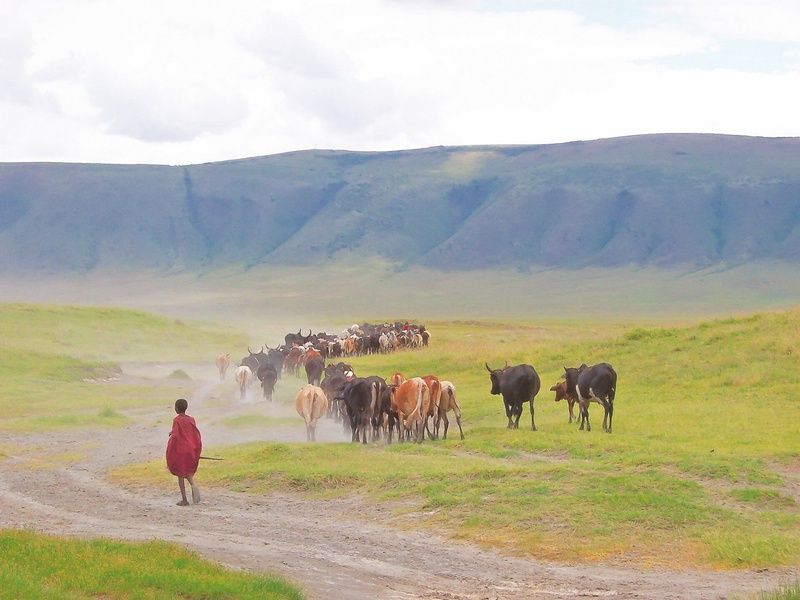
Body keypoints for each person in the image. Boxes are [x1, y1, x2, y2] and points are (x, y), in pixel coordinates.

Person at [166, 398, 202, 506]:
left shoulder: (176, 420)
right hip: (190, 449)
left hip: (181, 451)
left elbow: (176, 436)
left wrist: (171, 439)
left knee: (180, 474)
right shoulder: (191, 419)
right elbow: (191, 432)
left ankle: (184, 500)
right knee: (187, 471)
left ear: (176, 409)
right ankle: (193, 485)